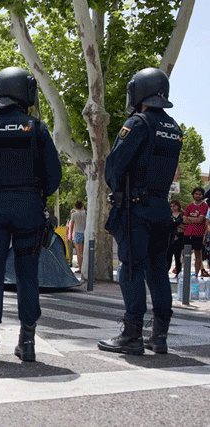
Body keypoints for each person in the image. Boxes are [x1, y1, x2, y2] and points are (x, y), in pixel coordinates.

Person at [0, 66, 62, 363]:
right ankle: (27, 343)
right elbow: (54, 176)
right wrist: (33, 194)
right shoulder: (37, 128)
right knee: (27, 275)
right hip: (30, 210)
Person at [98, 67, 183, 356]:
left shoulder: (138, 123)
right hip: (162, 209)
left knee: (131, 269)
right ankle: (159, 335)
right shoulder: (174, 129)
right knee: (158, 272)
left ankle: (132, 333)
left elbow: (113, 167)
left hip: (136, 209)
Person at [183, 187, 208, 277]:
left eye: (199, 194)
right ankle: (186, 273)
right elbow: (184, 220)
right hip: (187, 233)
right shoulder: (190, 206)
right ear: (193, 194)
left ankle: (196, 274)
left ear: (202, 195)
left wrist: (190, 219)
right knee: (185, 254)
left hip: (199, 234)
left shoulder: (205, 206)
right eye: (196, 194)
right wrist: (194, 219)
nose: (197, 195)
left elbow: (200, 220)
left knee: (198, 254)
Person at [167, 200, 184, 277]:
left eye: (174, 206)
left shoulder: (182, 215)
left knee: (178, 256)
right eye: (171, 206)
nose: (173, 208)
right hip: (170, 238)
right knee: (168, 256)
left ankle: (178, 272)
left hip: (180, 237)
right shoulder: (168, 215)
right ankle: (166, 272)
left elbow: (184, 225)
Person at [69, 201, 87, 272]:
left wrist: (70, 235)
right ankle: (86, 267)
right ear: (82, 205)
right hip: (85, 232)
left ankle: (80, 268)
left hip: (78, 233)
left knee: (79, 253)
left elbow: (71, 225)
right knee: (85, 252)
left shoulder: (74, 214)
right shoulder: (86, 213)